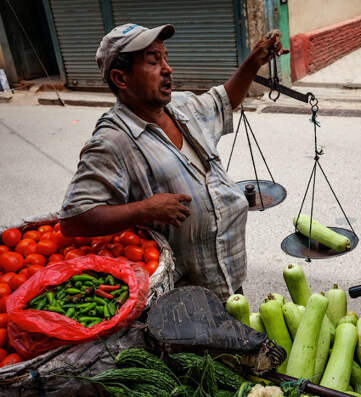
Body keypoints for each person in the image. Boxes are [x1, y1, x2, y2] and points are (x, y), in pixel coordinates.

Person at [59, 24, 287, 300]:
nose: (167, 69)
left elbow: (224, 100)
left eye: (166, 58)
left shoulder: (179, 107)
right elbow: (74, 219)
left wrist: (253, 61)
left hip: (227, 280)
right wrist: (143, 209)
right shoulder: (112, 141)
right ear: (121, 78)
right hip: (182, 299)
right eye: (154, 61)